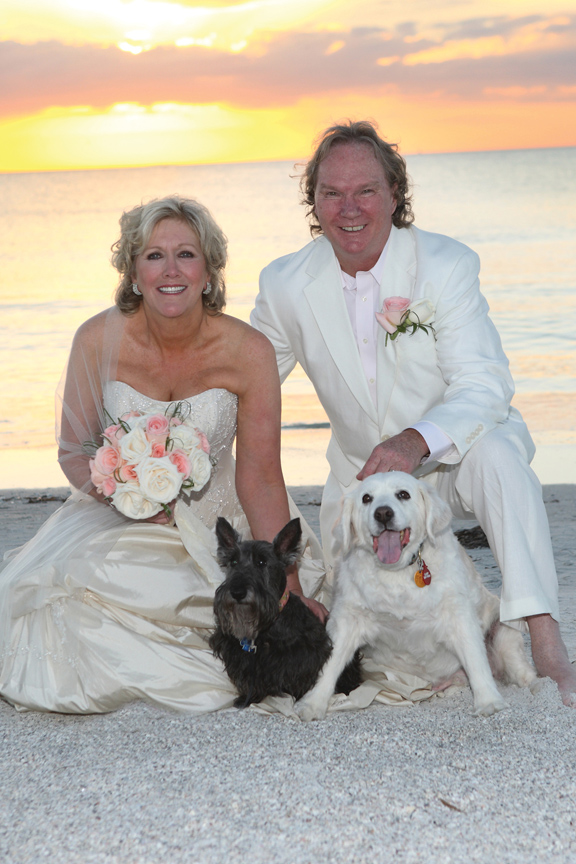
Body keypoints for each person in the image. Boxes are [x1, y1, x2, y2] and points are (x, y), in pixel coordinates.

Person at [251, 120, 576, 708]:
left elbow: (486, 383)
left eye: (366, 190)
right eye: (332, 193)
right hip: (362, 480)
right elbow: (248, 385)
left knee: (501, 455)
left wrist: (415, 441)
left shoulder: (446, 264)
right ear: (314, 202)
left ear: (395, 194)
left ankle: (547, 641)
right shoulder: (284, 284)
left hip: (455, 456)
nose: (349, 208)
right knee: (352, 641)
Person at [0, 195, 331, 714]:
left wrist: (286, 583)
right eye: (154, 255)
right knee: (74, 590)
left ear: (209, 271)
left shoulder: (249, 351)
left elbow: (262, 477)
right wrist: (124, 493)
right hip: (121, 518)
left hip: (226, 521)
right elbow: (74, 450)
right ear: (132, 271)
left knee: (257, 616)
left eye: (186, 254)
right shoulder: (94, 339)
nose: (170, 270)